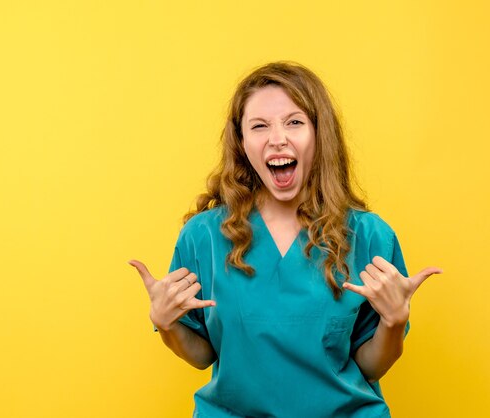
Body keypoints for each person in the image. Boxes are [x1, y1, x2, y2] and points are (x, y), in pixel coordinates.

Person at [130, 61, 442, 417]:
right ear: (243, 142)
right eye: (259, 126)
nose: (277, 138)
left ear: (319, 134)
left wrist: (394, 321)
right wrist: (167, 324)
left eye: (294, 122)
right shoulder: (203, 237)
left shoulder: (369, 236)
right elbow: (201, 356)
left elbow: (370, 366)